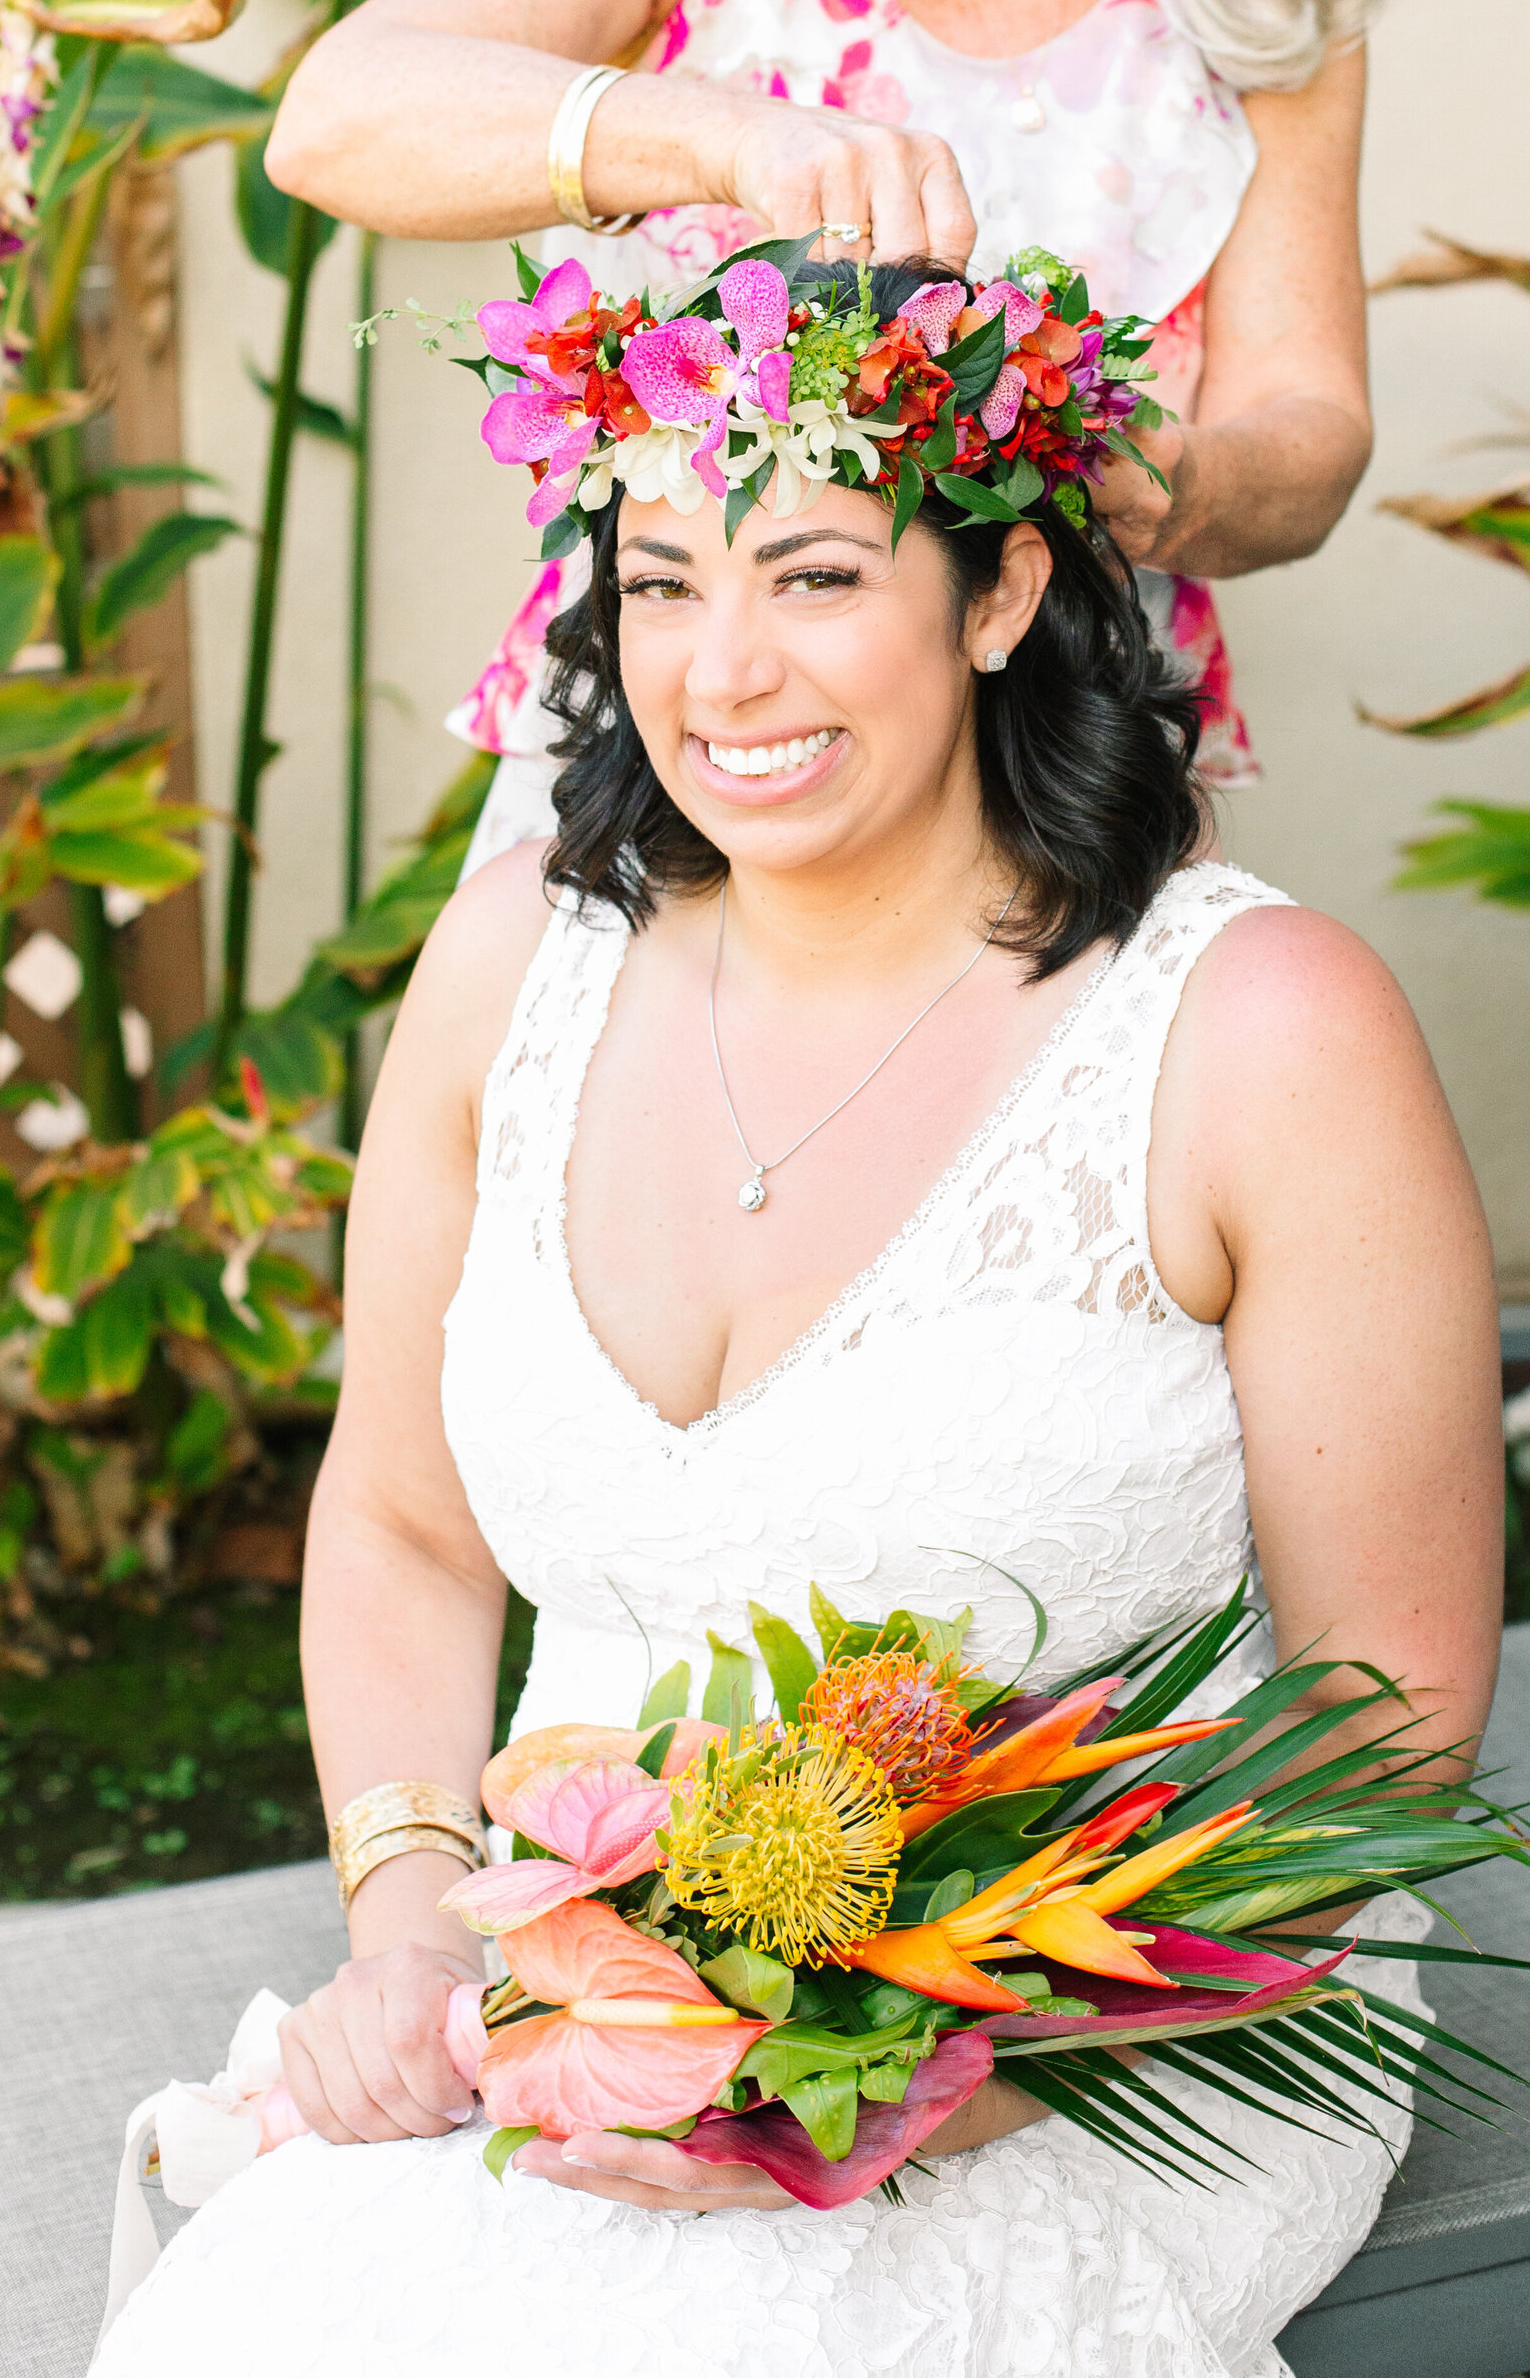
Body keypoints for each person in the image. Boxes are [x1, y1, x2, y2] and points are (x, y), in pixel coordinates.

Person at [90, 250, 1499, 2378]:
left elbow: (1374, 1725)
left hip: (1123, 2002)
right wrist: (401, 1936)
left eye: (816, 574)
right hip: (581, 1982)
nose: (721, 671)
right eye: (659, 582)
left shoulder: (1255, 1031)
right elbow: (391, 1522)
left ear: (1002, 592)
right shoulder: (512, 968)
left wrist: (915, 2075)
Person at [269, 0, 1388, 866]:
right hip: (687, 748)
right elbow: (332, 122)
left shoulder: (1273, 3)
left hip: (1061, 778)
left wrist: (1175, 481)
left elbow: (1314, 424)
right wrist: (729, 143)